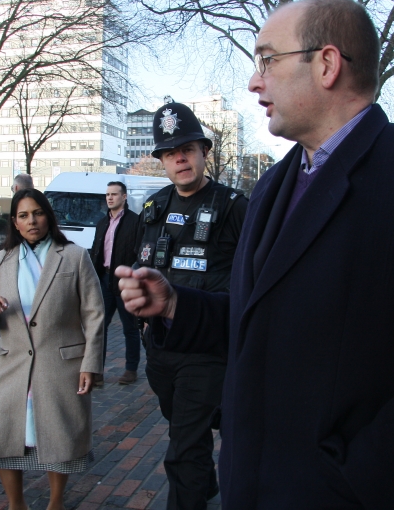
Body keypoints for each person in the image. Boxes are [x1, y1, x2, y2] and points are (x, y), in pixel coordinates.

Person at [116, 0, 394, 510]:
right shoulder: (271, 186)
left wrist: (354, 479)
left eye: (267, 60)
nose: (253, 82)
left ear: (326, 63)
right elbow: (262, 318)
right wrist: (176, 304)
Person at [135, 102, 247, 510]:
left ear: (204, 152)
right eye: (169, 152)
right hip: (161, 348)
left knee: (182, 447)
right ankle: (206, 484)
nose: (179, 158)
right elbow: (143, 264)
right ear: (162, 161)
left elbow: (253, 279)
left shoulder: (235, 207)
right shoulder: (154, 207)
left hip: (206, 348)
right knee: (184, 428)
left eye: (187, 149)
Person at [0, 189, 103, 510]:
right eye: (23, 215)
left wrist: (91, 364)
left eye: (38, 213)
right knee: (3, 432)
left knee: (60, 436)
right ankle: (17, 504)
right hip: (9, 365)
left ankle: (56, 502)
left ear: (48, 216)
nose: (32, 221)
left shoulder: (74, 256)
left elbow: (94, 312)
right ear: (14, 223)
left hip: (60, 365)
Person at [89, 181, 140, 386]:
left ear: (124, 197)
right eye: (108, 194)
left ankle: (131, 369)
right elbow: (95, 251)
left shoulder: (135, 222)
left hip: (125, 281)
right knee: (99, 326)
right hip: (104, 279)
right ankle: (97, 372)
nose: (110, 198)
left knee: (130, 327)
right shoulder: (102, 222)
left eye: (114, 194)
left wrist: (133, 277)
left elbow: (140, 253)